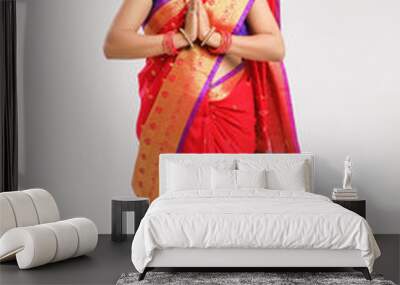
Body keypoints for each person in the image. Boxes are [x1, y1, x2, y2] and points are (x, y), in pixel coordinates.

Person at [104, 0, 300, 201]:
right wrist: (180, 39)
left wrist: (215, 39)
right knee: (176, 201)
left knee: (235, 196)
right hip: (171, 113)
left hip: (233, 111)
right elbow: (114, 44)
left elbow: (275, 47)